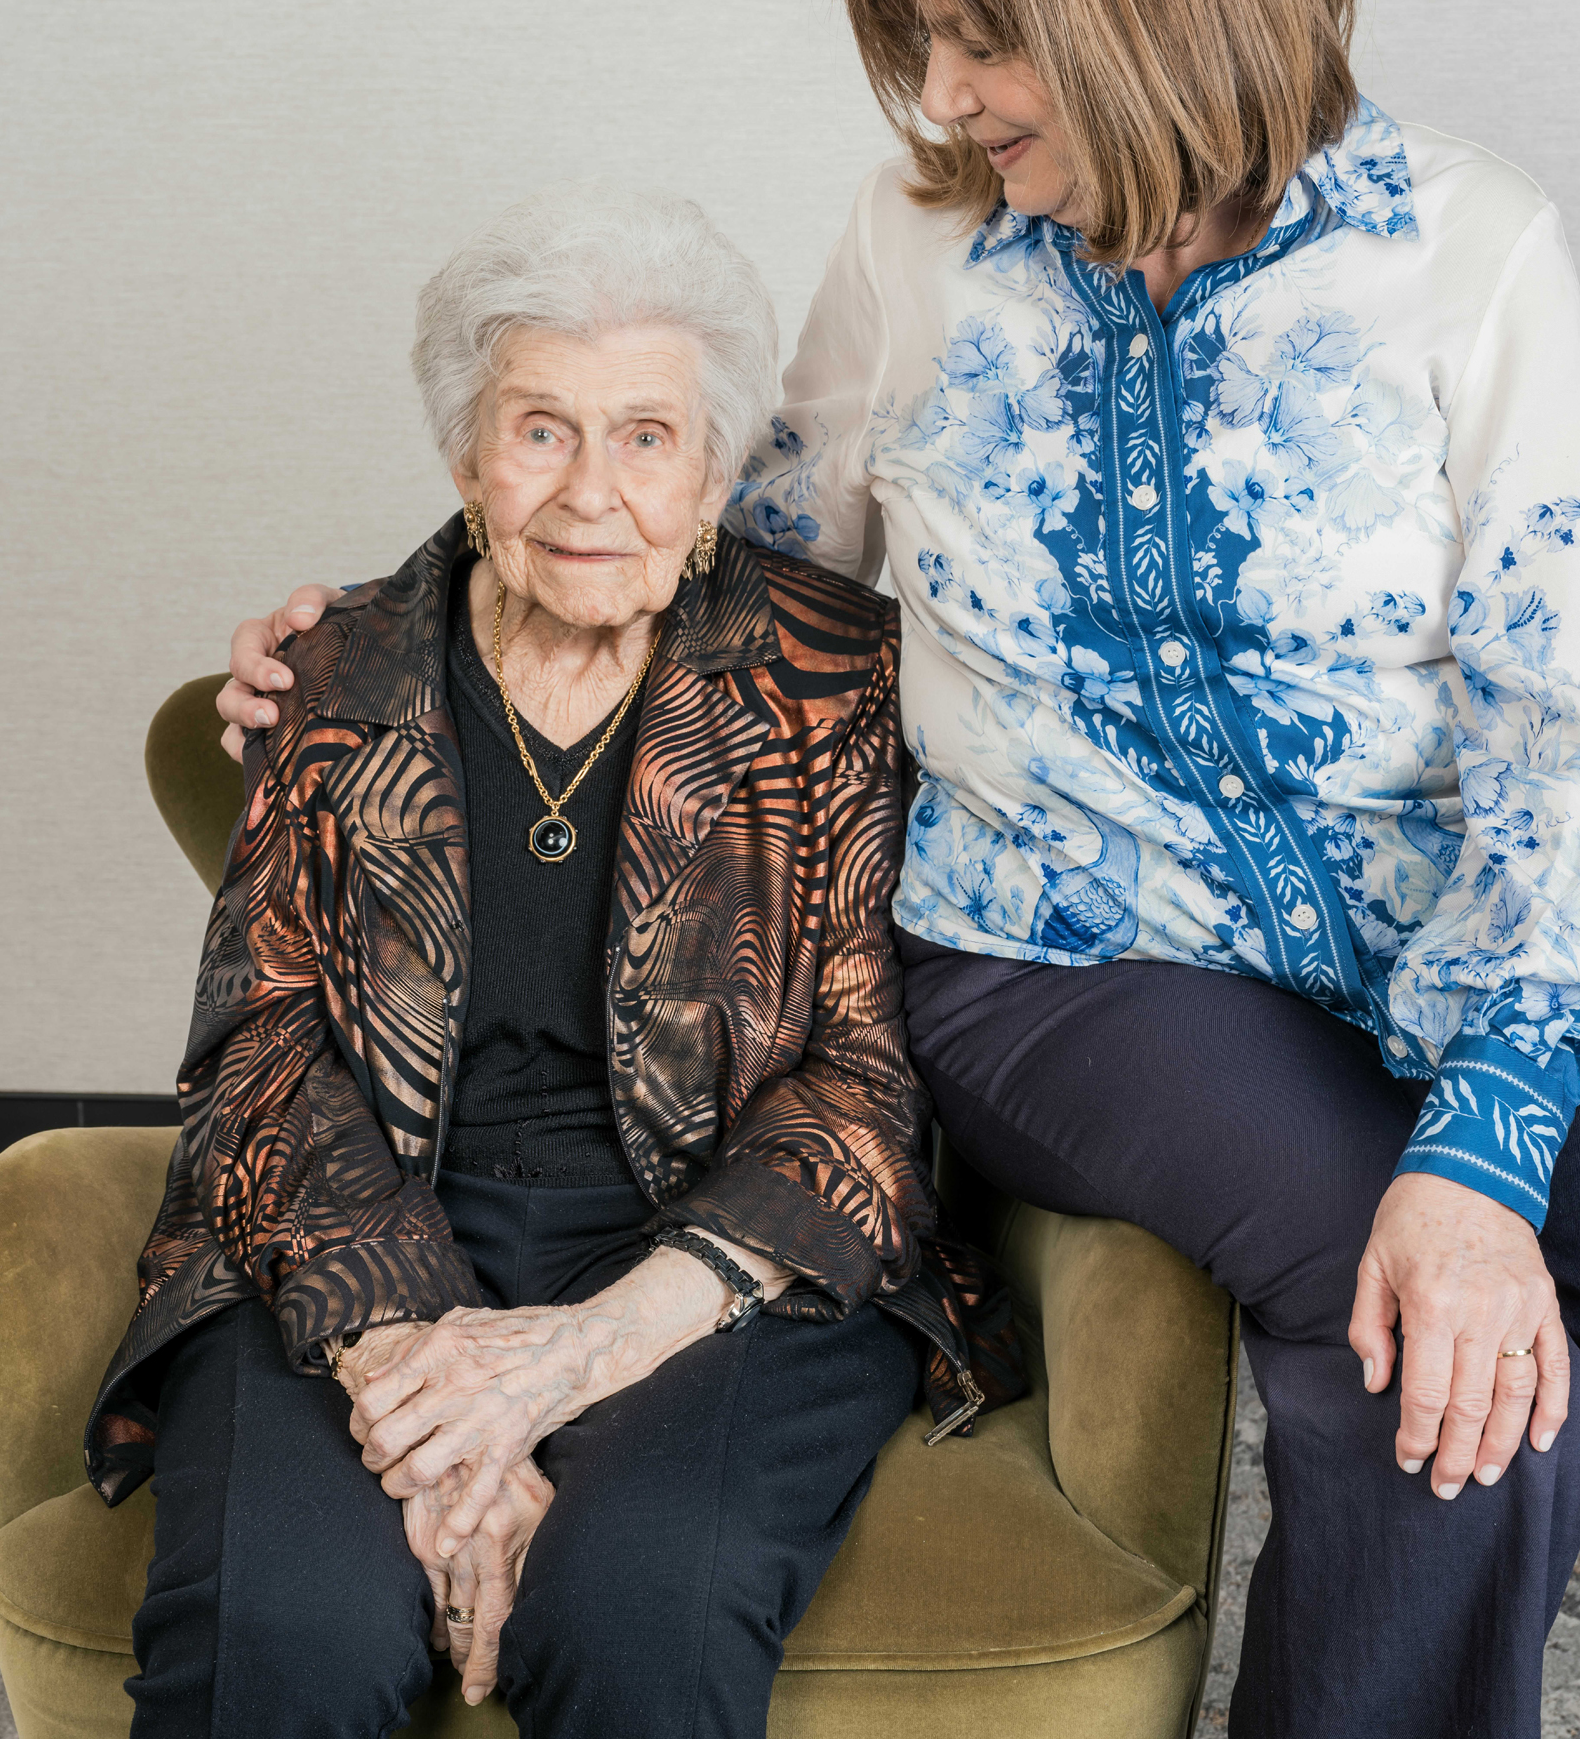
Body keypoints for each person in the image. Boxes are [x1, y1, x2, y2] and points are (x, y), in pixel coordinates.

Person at [219, 0, 1580, 1738]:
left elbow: (1574, 728)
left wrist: (1492, 1137)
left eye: (982, 40)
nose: (941, 94)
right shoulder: (919, 248)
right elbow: (717, 553)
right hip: (1078, 961)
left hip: (1494, 948)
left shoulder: (1468, 253)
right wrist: (391, 645)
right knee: (1445, 1382)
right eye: (916, 41)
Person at [92, 193, 1014, 1739]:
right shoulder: (334, 674)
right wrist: (413, 1366)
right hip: (364, 1220)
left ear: (714, 471)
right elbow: (260, 1049)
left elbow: (865, 1075)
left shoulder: (839, 679)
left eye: (647, 436)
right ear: (468, 457)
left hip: (719, 1254)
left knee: (639, 1607)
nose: (592, 491)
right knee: (283, 1627)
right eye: (541, 431)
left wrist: (586, 1350)